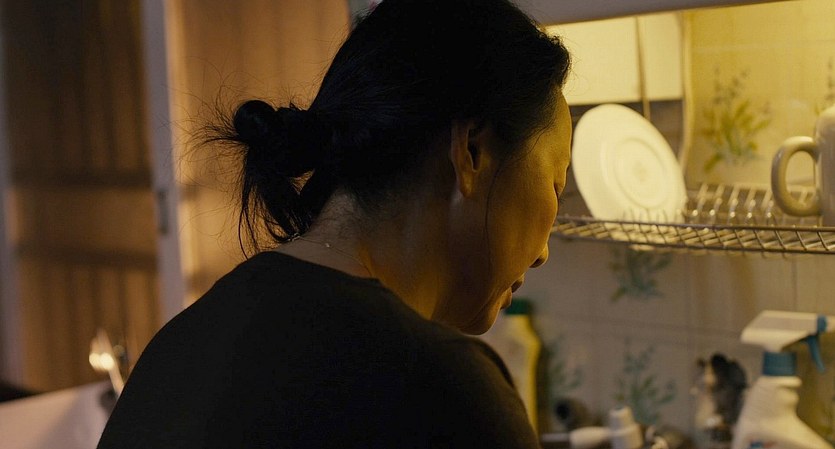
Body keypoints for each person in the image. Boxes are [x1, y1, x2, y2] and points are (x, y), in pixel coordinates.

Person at [97, 0, 572, 447]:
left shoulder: (186, 339)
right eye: (554, 184)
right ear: (471, 152)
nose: (543, 254)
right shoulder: (438, 386)